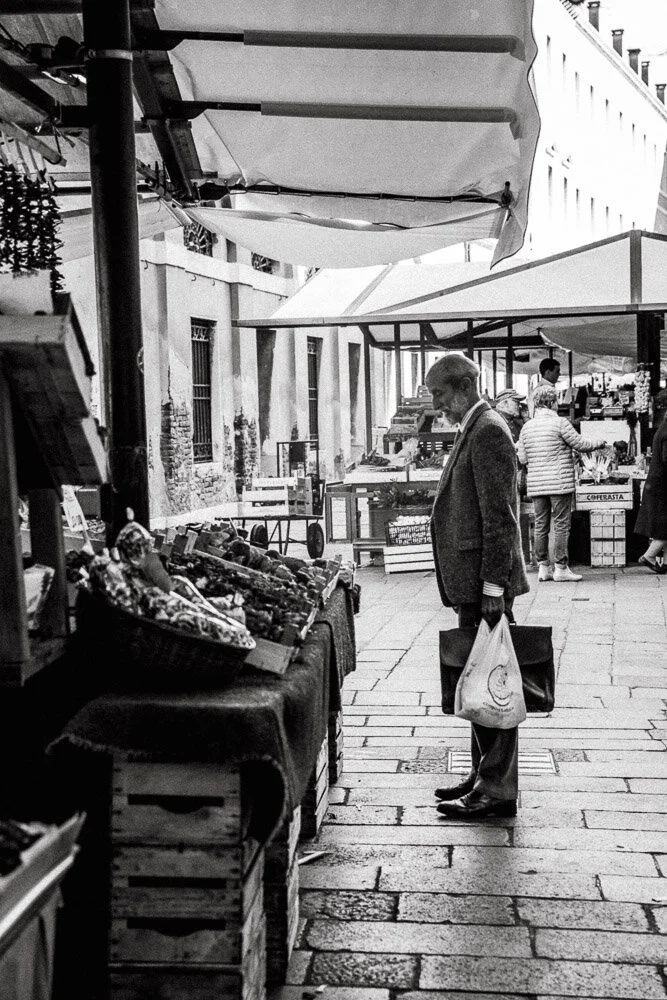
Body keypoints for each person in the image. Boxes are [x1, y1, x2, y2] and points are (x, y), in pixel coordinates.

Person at [426, 355, 529, 820]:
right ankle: (481, 774)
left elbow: (500, 518)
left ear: (464, 386)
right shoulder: (476, 426)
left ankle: (497, 788)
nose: (437, 405)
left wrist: (492, 584)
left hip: (483, 583)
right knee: (477, 676)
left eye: (439, 395)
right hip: (472, 582)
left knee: (495, 680)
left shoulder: (488, 430)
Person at [517, 384, 606, 583]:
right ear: (551, 402)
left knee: (541, 525)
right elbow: (581, 444)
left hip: (537, 484)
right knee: (561, 525)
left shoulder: (526, 427)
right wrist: (600, 441)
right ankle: (560, 568)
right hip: (559, 483)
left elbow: (522, 459)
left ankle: (543, 568)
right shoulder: (560, 423)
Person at [634, 389, 667, 574]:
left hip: (658, 484)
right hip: (662, 486)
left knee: (664, 525)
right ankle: (650, 555)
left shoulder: (662, 428)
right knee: (665, 527)